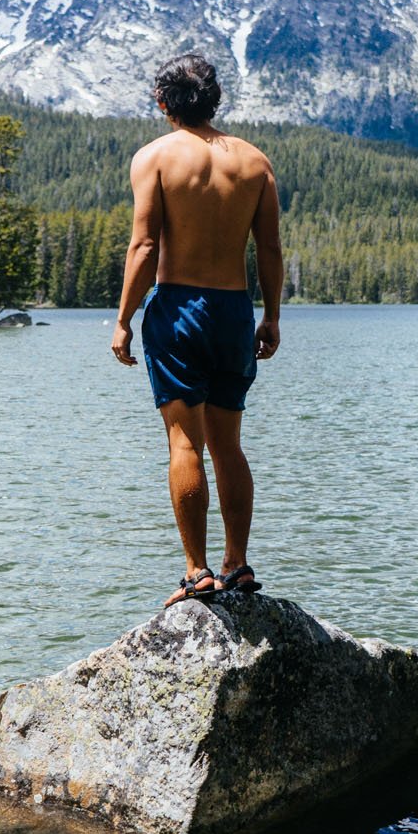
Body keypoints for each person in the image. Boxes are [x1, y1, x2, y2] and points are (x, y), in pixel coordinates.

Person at [110, 53, 284, 609]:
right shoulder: (254, 162)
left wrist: (123, 319)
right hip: (234, 310)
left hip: (180, 307)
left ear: (163, 103)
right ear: (214, 102)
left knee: (184, 441)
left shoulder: (154, 158)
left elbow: (144, 246)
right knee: (228, 445)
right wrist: (272, 315)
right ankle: (238, 564)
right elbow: (271, 249)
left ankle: (197, 572)